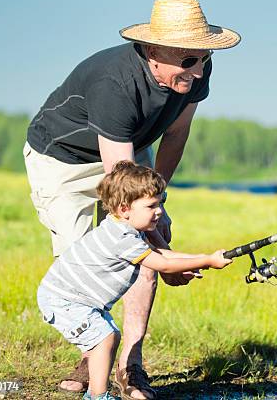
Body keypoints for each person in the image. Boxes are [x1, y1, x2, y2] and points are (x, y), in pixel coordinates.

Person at [23, 0, 240, 398]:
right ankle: (93, 352)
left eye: (204, 58)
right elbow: (124, 193)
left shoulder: (197, 69)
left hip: (129, 150)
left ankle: (131, 364)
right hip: (64, 161)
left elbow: (175, 133)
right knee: (93, 256)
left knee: (147, 232)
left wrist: (162, 203)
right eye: (187, 61)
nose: (197, 70)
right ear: (153, 51)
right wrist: (162, 251)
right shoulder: (115, 83)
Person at [37, 161, 233, 400]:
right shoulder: (121, 237)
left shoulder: (127, 228)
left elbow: (164, 254)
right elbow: (163, 264)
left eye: (160, 203)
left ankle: (96, 393)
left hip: (77, 300)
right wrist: (206, 261)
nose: (159, 211)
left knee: (108, 336)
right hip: (64, 300)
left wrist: (206, 258)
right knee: (105, 337)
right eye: (151, 205)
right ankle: (97, 396)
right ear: (124, 208)